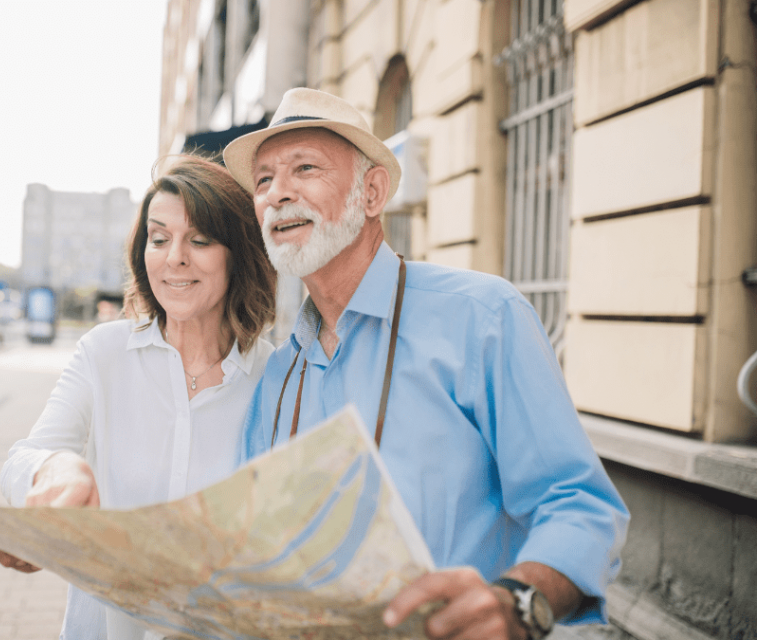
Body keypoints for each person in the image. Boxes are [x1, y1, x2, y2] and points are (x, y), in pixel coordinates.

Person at [222, 88, 629, 640]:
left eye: (305, 168)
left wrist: (514, 604)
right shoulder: (277, 375)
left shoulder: (482, 316)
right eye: (264, 180)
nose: (277, 194)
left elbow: (581, 507)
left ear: (372, 192)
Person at [0, 155, 277, 640]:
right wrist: (55, 473)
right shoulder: (104, 352)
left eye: (199, 240)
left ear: (238, 254)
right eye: (159, 239)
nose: (175, 256)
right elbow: (23, 458)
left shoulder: (277, 376)